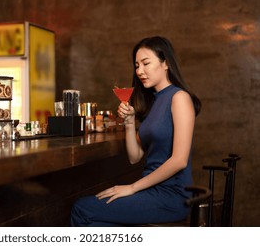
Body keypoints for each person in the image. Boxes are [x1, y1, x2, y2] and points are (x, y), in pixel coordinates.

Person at [70, 36, 201, 226]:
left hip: (172, 196)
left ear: (165, 63)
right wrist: (130, 121)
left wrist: (132, 188)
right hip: (151, 190)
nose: (140, 71)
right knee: (97, 225)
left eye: (146, 63)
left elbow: (179, 160)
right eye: (137, 65)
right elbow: (134, 156)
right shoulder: (154, 102)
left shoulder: (179, 98)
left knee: (82, 209)